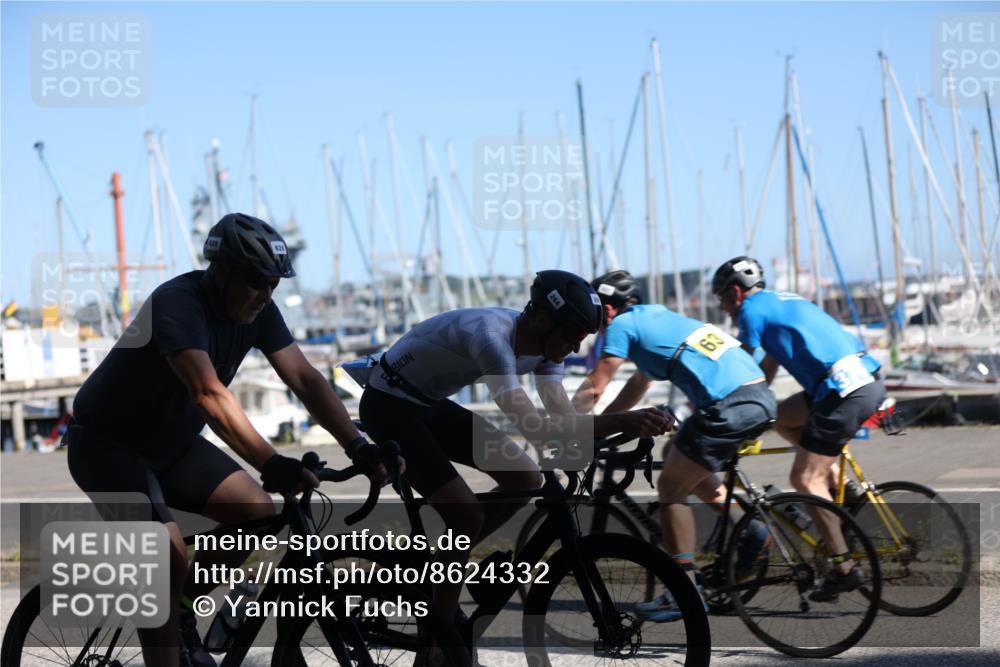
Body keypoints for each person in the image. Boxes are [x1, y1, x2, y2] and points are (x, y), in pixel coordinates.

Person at [66, 213, 397, 667]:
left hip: (172, 444)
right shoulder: (177, 304)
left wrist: (357, 444)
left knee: (257, 510)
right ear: (221, 272)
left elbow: (303, 377)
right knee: (164, 560)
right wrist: (269, 460)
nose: (266, 295)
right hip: (107, 446)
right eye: (258, 282)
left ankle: (181, 611)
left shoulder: (259, 311)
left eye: (274, 285)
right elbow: (207, 393)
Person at [356, 270, 671, 647]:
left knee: (525, 479)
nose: (574, 348)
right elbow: (537, 429)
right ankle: (439, 631)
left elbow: (565, 420)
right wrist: (621, 420)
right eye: (572, 336)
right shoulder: (491, 338)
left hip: (429, 404)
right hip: (389, 407)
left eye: (582, 340)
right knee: (466, 516)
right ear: (541, 318)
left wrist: (620, 429)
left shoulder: (546, 346)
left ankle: (441, 573)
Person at [573, 270, 777, 621]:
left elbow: (595, 385)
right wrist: (603, 426)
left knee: (669, 486)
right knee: (676, 457)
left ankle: (682, 589)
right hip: (759, 397)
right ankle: (749, 527)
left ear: (607, 309)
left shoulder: (621, 326)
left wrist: (566, 428)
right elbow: (639, 383)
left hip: (728, 405)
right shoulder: (659, 318)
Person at [712, 256, 886, 599]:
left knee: (804, 479)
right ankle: (843, 487)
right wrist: (755, 406)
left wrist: (723, 404)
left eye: (721, 299)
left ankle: (843, 568)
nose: (724, 309)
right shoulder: (784, 300)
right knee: (779, 418)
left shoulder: (750, 310)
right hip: (862, 380)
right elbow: (768, 367)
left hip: (840, 391)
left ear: (735, 291)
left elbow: (741, 362)